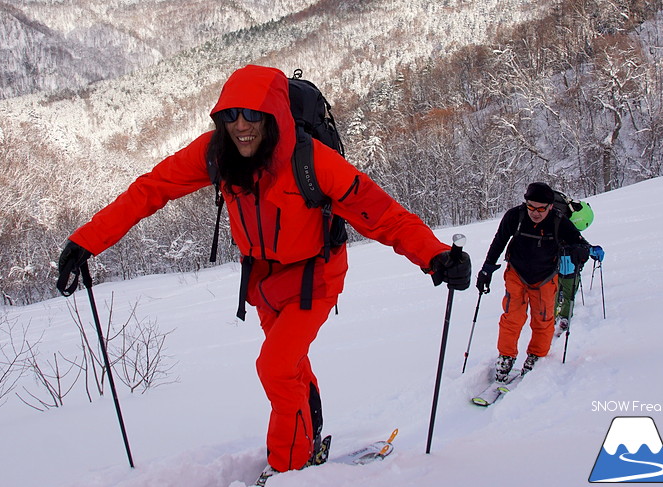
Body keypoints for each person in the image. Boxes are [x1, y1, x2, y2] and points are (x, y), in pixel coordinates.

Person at [56, 65, 471, 479]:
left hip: (316, 276)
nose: (241, 126)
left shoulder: (313, 162)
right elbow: (152, 188)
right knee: (289, 366)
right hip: (263, 284)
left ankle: (288, 465)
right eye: (231, 115)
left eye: (253, 115)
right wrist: (86, 241)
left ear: (273, 115)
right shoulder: (216, 154)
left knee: (275, 366)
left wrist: (435, 256)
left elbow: (382, 215)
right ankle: (307, 441)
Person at [475, 182, 588, 381]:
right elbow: (499, 241)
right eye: (531, 207)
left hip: (545, 276)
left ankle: (537, 355)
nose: (535, 213)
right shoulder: (515, 216)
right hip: (516, 273)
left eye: (541, 209)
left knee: (543, 318)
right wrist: (487, 269)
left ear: (550, 206)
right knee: (512, 316)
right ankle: (506, 356)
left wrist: (581, 250)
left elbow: (578, 241)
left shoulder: (558, 220)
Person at [552, 196, 604, 332]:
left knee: (555, 293)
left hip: (555, 268)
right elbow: (581, 243)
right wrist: (592, 251)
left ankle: (552, 317)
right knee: (568, 295)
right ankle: (564, 317)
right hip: (571, 270)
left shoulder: (559, 225)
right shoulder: (567, 229)